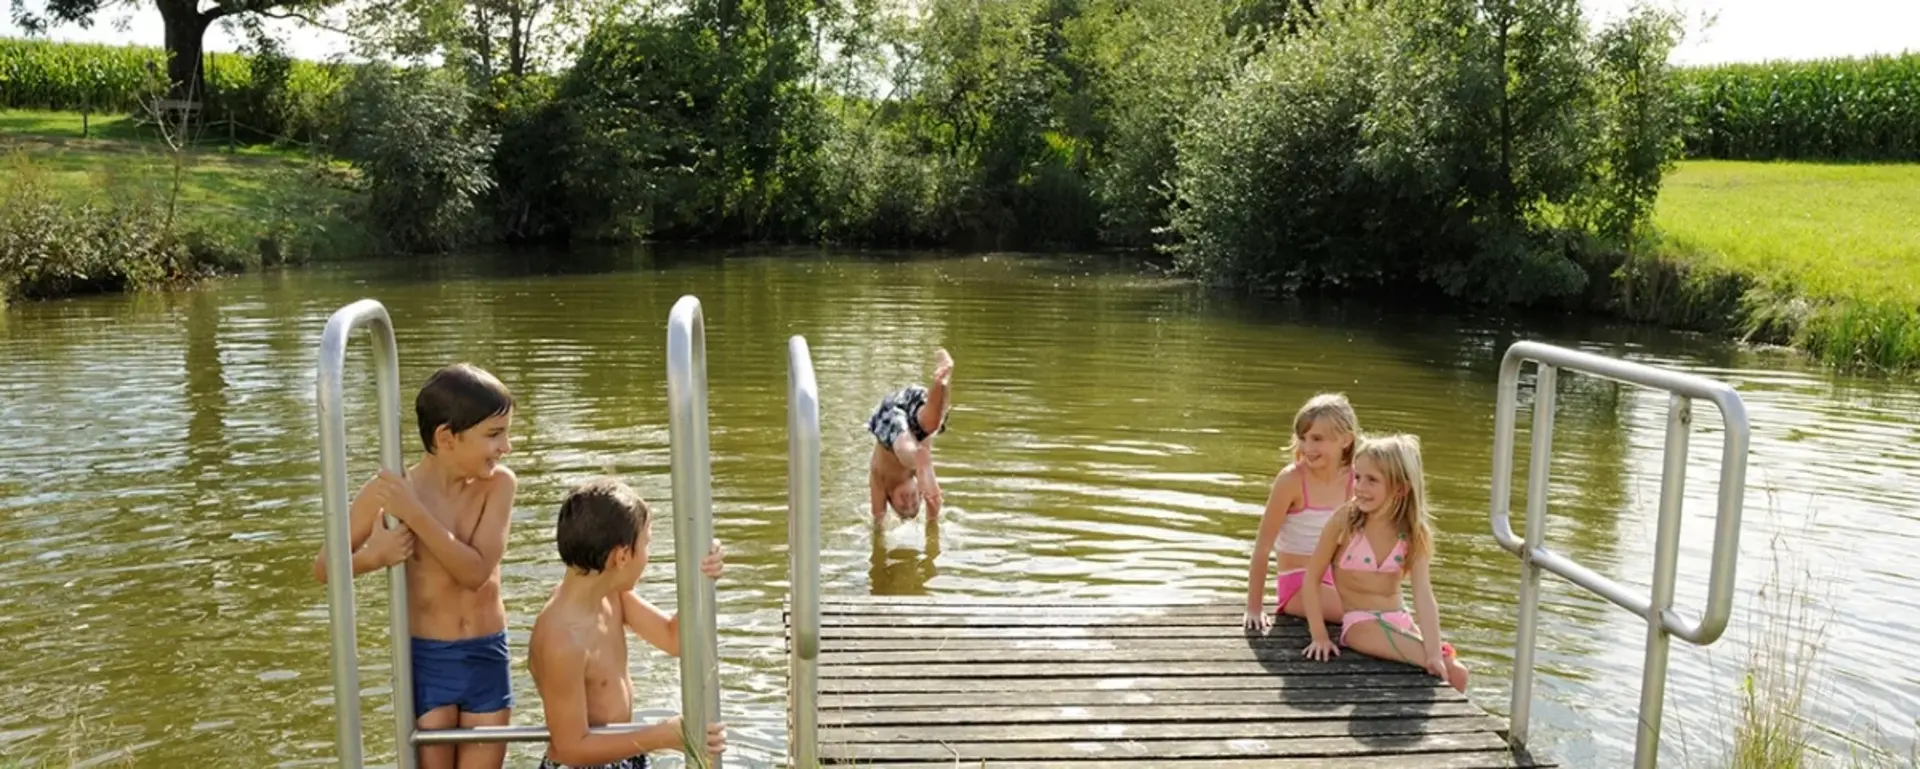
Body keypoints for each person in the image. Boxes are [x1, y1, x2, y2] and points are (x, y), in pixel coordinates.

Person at [310, 363, 519, 769]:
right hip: (427, 659)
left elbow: (476, 573)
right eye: (494, 435)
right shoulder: (389, 490)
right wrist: (375, 556)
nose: (506, 446)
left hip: (485, 653)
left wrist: (415, 514)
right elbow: (324, 566)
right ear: (446, 437)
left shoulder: (499, 486)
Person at [528, 477, 728, 768]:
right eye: (646, 543)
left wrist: (703, 578)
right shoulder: (562, 638)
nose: (648, 555)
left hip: (623, 754)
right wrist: (663, 736)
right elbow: (571, 749)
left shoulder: (612, 596)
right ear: (622, 556)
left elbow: (675, 639)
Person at [1299, 434, 1470, 693]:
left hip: (1399, 619)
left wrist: (1434, 650)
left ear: (1400, 488)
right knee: (1448, 667)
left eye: (1372, 480)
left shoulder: (1414, 534)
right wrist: (1319, 636)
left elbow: (1423, 594)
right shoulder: (1345, 522)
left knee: (1456, 673)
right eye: (1358, 477)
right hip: (1360, 625)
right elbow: (1311, 579)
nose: (1360, 487)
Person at [1243, 393, 1359, 631]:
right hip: (1299, 584)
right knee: (1364, 613)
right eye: (1303, 438)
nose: (1307, 447)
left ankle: (1439, 659)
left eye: (1317, 439)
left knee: (1391, 611)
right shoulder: (1291, 480)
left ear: (1346, 440)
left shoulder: (1355, 479)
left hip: (1339, 580)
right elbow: (1263, 546)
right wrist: (1253, 608)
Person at [867, 348, 954, 522]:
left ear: (890, 497)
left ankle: (915, 457)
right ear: (920, 492)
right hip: (909, 404)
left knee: (903, 447)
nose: (909, 502)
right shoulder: (923, 476)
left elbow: (878, 520)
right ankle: (941, 378)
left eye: (902, 506)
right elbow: (933, 498)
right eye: (915, 504)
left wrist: (879, 526)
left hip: (887, 418)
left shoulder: (880, 481)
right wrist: (932, 511)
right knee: (932, 424)